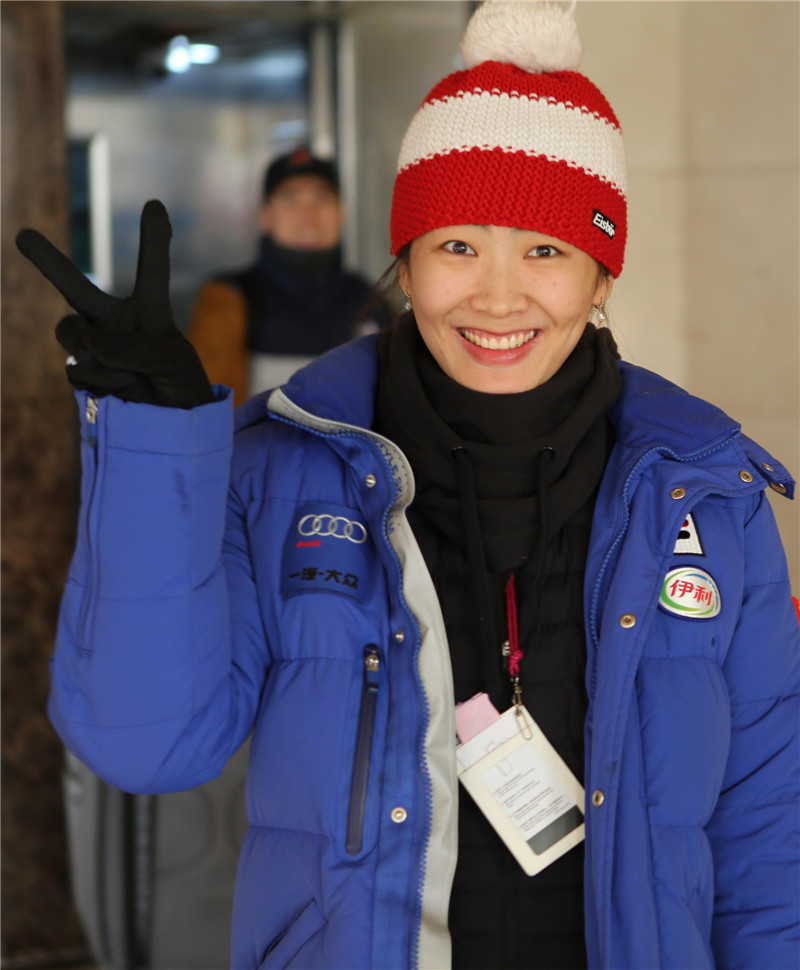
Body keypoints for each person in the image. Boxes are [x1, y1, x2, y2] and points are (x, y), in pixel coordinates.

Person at [17, 2, 799, 968]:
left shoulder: (708, 495)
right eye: (458, 246)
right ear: (407, 265)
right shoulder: (282, 473)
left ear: (602, 276)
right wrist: (149, 448)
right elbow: (144, 743)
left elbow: (772, 839)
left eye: (545, 250)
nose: (499, 297)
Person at [187, 146, 384, 406]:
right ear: (265, 216)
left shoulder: (371, 299)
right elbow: (210, 407)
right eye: (290, 199)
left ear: (341, 213)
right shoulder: (227, 297)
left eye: (321, 198)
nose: (308, 214)